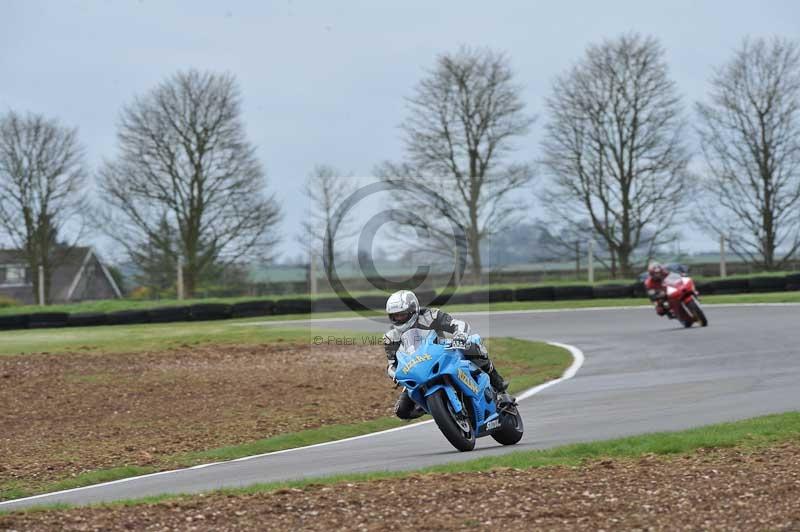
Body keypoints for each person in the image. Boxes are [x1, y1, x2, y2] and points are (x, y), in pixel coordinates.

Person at [382, 289, 514, 420]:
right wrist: (395, 375)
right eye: (395, 316)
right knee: (402, 410)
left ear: (413, 310)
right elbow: (392, 365)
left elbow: (458, 324)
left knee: (472, 343)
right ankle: (436, 407)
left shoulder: (430, 316)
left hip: (444, 353)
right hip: (418, 370)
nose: (398, 318)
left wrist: (460, 336)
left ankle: (499, 386)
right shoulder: (390, 337)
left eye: (402, 314)